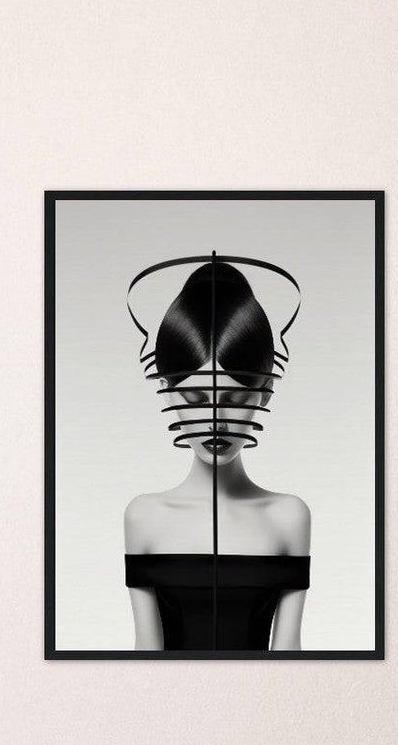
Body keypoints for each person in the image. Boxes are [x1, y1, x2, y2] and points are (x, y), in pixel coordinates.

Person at [123, 258, 310, 652]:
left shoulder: (289, 517)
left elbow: (292, 659)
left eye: (236, 397)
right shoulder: (144, 518)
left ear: (264, 394)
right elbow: (143, 658)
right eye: (195, 397)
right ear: (170, 394)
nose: (216, 420)